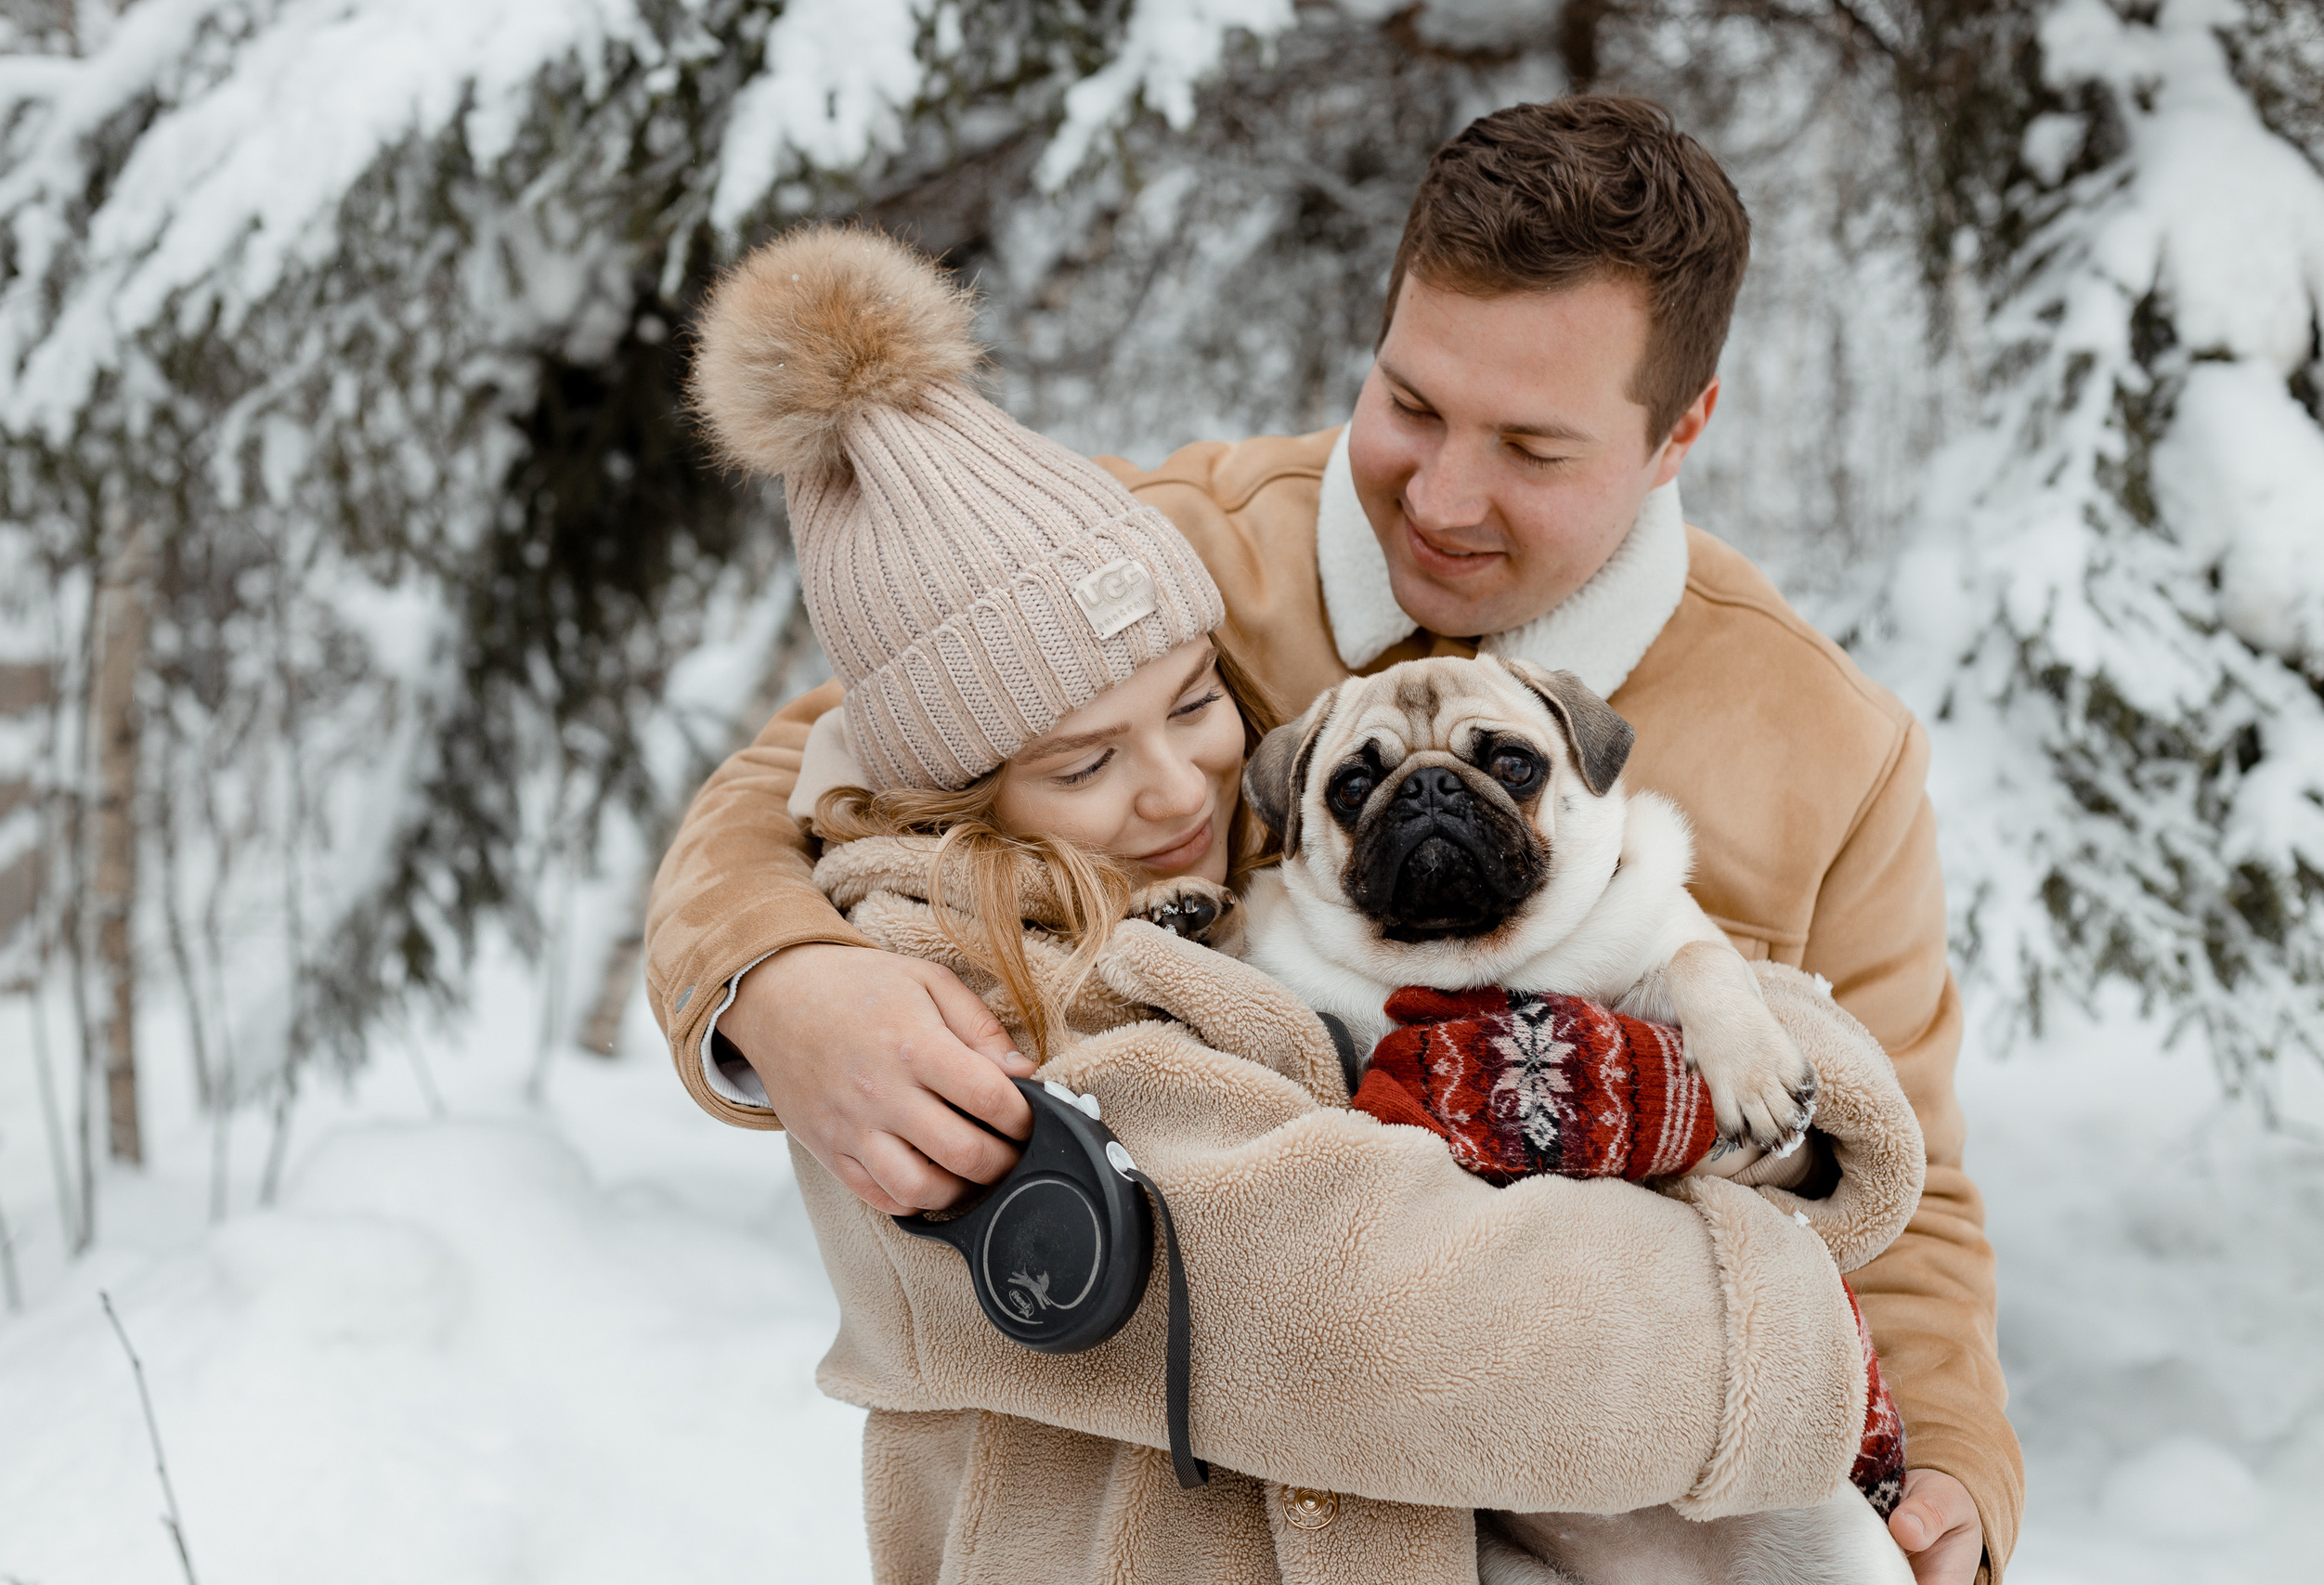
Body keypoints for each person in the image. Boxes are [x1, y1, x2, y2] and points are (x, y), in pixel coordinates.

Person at [647, 97, 2020, 1581]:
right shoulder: (1182, 554)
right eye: (1412, 405)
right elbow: (820, 765)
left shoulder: (1828, 745)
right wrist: (775, 975)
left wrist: (1953, 1471)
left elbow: (1917, 1191)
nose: (1440, 497)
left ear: (1681, 428)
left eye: (1534, 449)